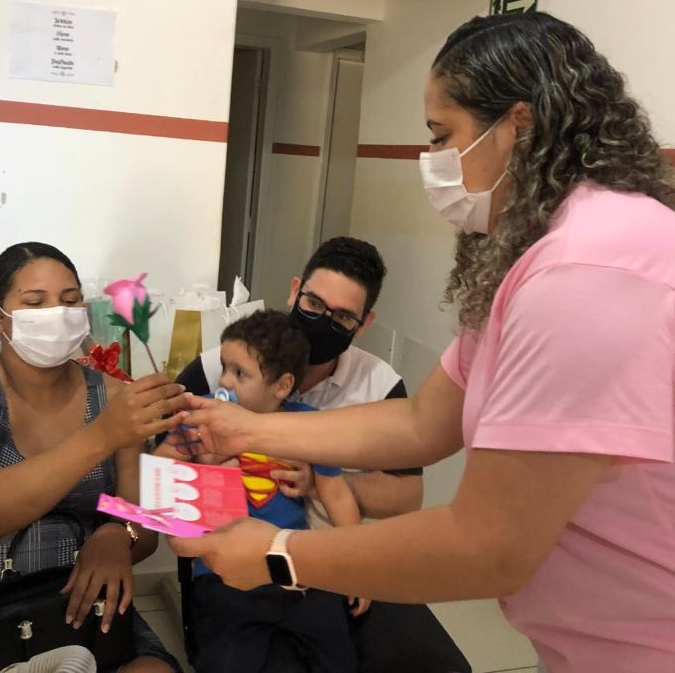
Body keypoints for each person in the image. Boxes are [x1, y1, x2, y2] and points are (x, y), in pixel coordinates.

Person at [169, 12, 675, 673]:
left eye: (442, 136)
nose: (433, 162)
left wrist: (279, 554)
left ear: (518, 125)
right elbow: (422, 423)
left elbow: (487, 546)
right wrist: (246, 428)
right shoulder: (548, 254)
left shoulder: (592, 272)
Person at [175, 236, 469, 672]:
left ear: (364, 324)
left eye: (342, 316)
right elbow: (165, 458)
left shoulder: (380, 385)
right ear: (295, 290)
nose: (322, 321)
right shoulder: (224, 364)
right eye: (313, 303)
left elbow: (407, 497)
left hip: (328, 564)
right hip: (233, 567)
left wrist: (319, 483)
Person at [0, 242, 188, 673]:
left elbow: (142, 522)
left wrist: (117, 535)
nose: (57, 314)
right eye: (35, 303)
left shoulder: (114, 397)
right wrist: (102, 435)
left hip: (79, 609)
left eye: (70, 301)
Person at [158, 310, 367, 672]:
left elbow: (336, 495)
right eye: (224, 367)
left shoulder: (308, 425)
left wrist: (358, 567)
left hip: (298, 567)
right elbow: (160, 467)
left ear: (282, 386)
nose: (224, 380)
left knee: (339, 657)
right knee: (225, 661)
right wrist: (203, 467)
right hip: (222, 574)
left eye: (240, 373)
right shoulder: (201, 415)